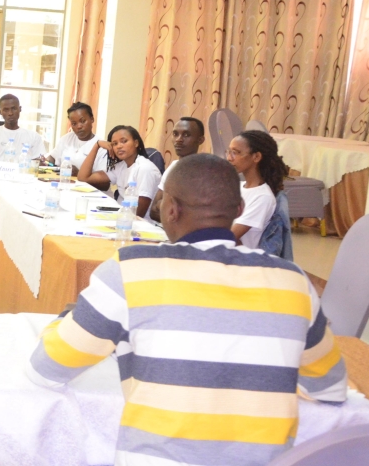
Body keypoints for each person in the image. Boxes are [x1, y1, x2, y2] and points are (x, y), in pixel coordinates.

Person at [29, 154, 346, 465]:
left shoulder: (132, 269)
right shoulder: (293, 280)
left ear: (170, 209)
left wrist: (68, 319)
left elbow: (47, 368)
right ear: (238, 210)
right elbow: (331, 389)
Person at [78, 125, 161, 219]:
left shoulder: (145, 168)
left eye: (124, 141)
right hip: (123, 217)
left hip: (142, 225)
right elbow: (83, 178)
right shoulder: (121, 166)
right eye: (114, 144)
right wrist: (97, 145)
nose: (119, 146)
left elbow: (138, 214)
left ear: (136, 143)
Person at [226, 130, 289, 250]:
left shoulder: (262, 197)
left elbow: (229, 237)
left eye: (235, 153)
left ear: (256, 157)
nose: (229, 158)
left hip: (237, 261)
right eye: (229, 152)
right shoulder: (236, 186)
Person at [150, 116, 206, 222]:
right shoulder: (174, 166)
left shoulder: (203, 172)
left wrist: (162, 205)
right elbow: (153, 211)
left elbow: (192, 218)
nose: (179, 139)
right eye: (175, 134)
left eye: (186, 135)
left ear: (200, 140)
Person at [0, 94, 45, 161]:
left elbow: (37, 164)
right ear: (0, 112)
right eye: (6, 110)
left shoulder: (34, 136)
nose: (10, 113)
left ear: (20, 109)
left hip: (23, 171)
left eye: (14, 109)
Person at [46, 102, 97, 172]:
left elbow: (103, 181)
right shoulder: (66, 138)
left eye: (83, 121)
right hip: (62, 180)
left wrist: (78, 173)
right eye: (74, 123)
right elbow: (53, 157)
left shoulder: (99, 145)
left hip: (83, 183)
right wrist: (45, 162)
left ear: (92, 119)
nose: (79, 126)